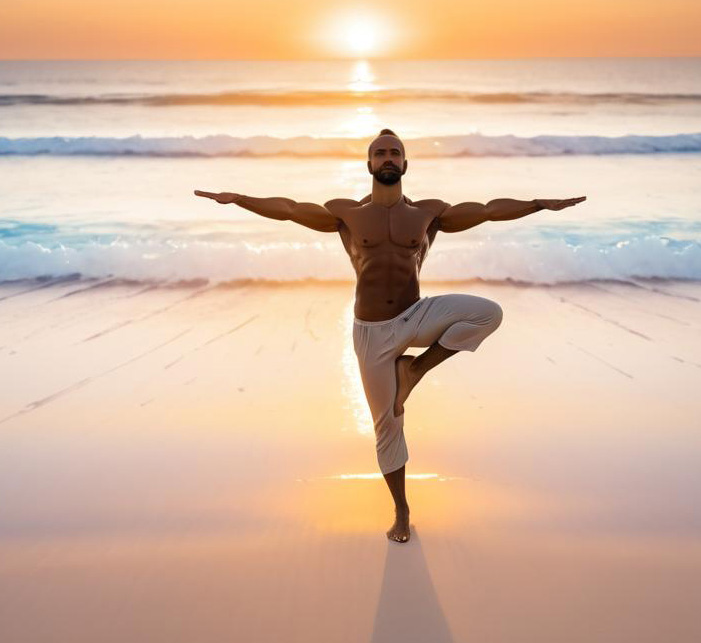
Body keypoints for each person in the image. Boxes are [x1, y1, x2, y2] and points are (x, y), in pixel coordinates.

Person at [195, 128, 586, 543]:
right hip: (371, 334)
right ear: (368, 164)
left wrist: (539, 204)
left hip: (415, 315)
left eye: (394, 153)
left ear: (404, 164)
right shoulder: (345, 213)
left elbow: (489, 209)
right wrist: (238, 199)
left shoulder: (428, 213)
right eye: (379, 153)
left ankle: (415, 369)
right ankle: (401, 510)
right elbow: (290, 208)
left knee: (487, 313)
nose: (387, 158)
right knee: (387, 426)